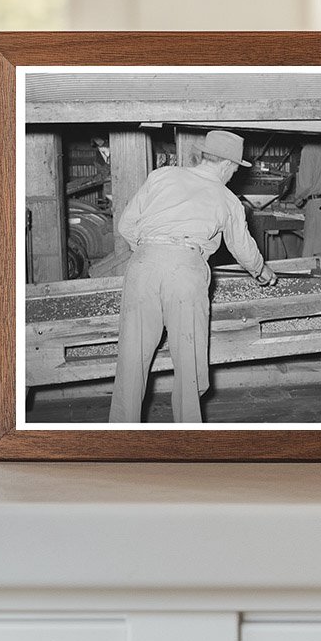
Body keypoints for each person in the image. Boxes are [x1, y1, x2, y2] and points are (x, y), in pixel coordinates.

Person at [109, 130, 278, 423]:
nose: (234, 174)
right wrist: (262, 271)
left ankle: (119, 440)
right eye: (236, 168)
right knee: (189, 361)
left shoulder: (162, 176)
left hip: (142, 266)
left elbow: (126, 225)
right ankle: (188, 436)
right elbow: (242, 247)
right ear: (226, 165)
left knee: (131, 361)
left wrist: (153, 250)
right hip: (186, 271)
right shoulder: (227, 199)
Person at [290, 142, 321, 257]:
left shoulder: (309, 149)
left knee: (312, 254)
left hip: (317, 206)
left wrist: (298, 198)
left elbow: (305, 185)